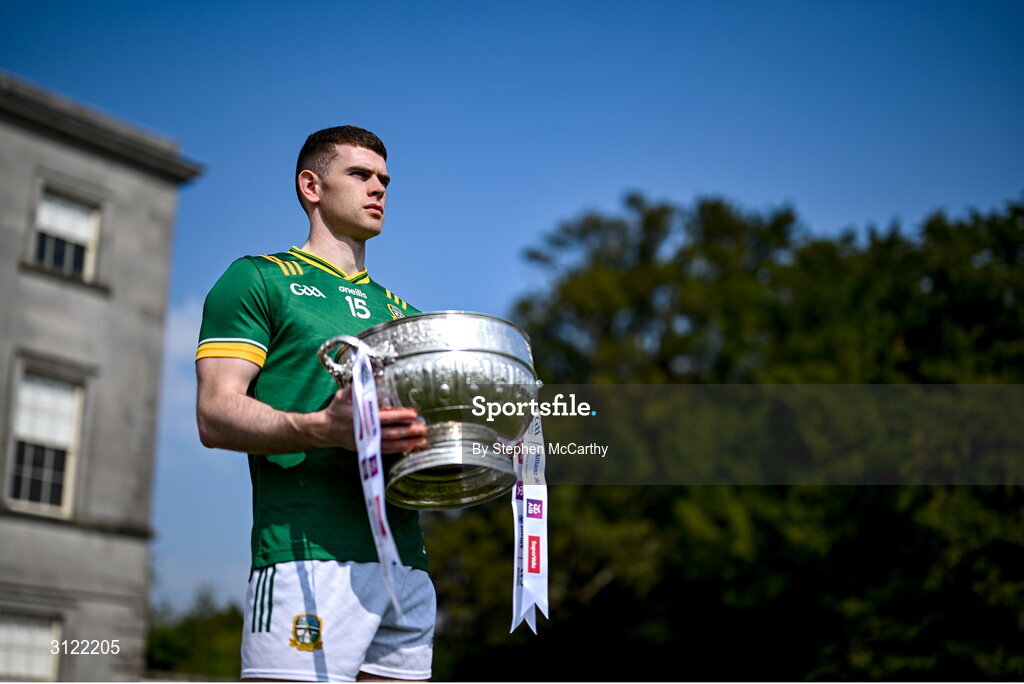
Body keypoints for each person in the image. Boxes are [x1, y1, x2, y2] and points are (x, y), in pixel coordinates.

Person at [195, 126, 434, 682]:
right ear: (312, 185)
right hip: (306, 554)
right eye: (360, 174)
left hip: (408, 565)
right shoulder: (258, 278)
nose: (378, 188)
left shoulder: (407, 314)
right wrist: (324, 427)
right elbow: (214, 413)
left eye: (384, 180)